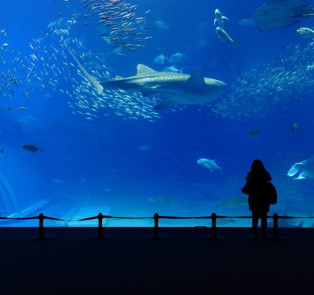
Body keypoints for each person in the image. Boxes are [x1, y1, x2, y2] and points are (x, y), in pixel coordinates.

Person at [242, 159, 271, 239]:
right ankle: (264, 234)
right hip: (264, 198)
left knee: (255, 217)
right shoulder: (265, 173)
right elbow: (269, 179)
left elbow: (246, 183)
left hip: (254, 198)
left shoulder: (250, 174)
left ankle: (255, 234)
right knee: (264, 217)